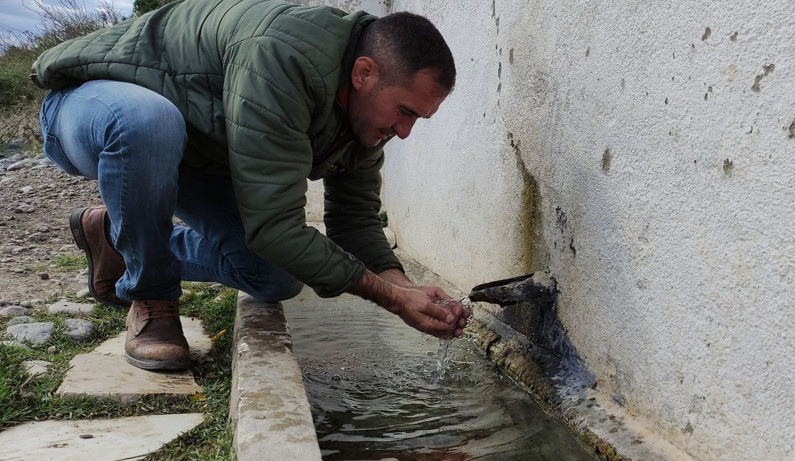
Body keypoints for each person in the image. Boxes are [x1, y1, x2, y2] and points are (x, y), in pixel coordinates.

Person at [31, 0, 469, 370]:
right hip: (90, 107)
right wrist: (390, 300)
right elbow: (274, 227)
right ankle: (152, 297)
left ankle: (111, 240)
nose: (406, 131)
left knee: (276, 276)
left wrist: (401, 283)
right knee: (149, 122)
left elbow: (352, 219)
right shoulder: (283, 55)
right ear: (364, 73)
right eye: (406, 111)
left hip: (195, 149)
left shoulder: (366, 116)